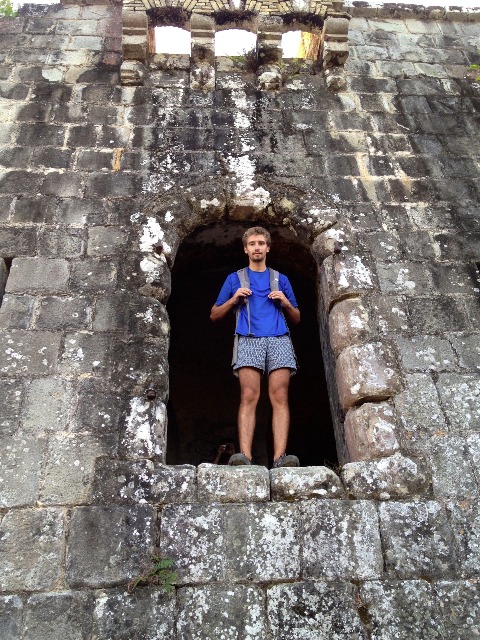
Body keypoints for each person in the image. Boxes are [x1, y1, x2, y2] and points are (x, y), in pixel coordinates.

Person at [210, 226, 300, 468]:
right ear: (245, 249)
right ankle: (245, 457)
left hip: (279, 338)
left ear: (268, 248)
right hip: (248, 337)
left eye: (261, 243)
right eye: (252, 244)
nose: (257, 247)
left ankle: (280, 458)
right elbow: (214, 314)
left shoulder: (281, 279)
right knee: (249, 395)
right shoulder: (234, 279)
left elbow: (297, 317)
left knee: (279, 396)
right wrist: (234, 299)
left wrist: (285, 302)